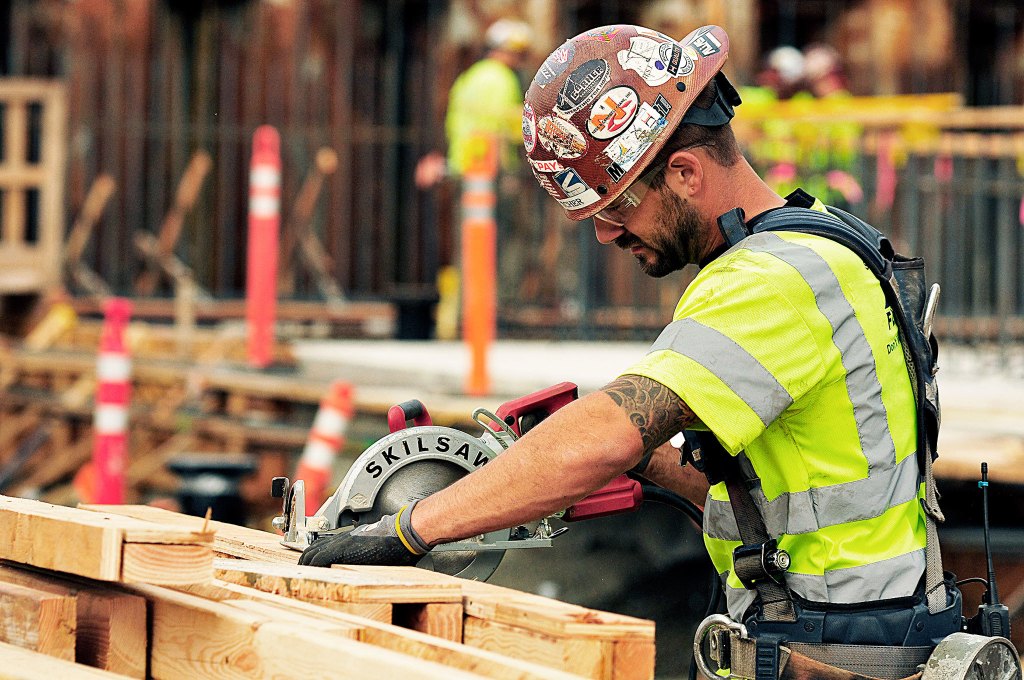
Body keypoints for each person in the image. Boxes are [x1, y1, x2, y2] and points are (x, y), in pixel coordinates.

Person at [303, 24, 958, 677]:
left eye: (616, 210)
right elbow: (781, 500)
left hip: (838, 647)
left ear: (684, 172)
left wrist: (410, 528)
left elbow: (603, 435)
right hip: (852, 628)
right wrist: (649, 462)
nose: (605, 235)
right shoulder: (819, 243)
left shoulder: (769, 282)